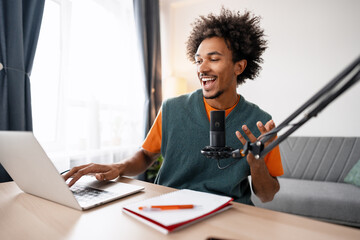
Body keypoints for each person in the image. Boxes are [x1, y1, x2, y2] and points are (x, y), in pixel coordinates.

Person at [63, 8, 283, 204]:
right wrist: (118, 167)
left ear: (239, 66)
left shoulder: (260, 122)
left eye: (213, 59)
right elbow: (146, 156)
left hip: (230, 213)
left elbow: (266, 195)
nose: (202, 68)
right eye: (198, 60)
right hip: (170, 205)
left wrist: (257, 164)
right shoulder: (172, 109)